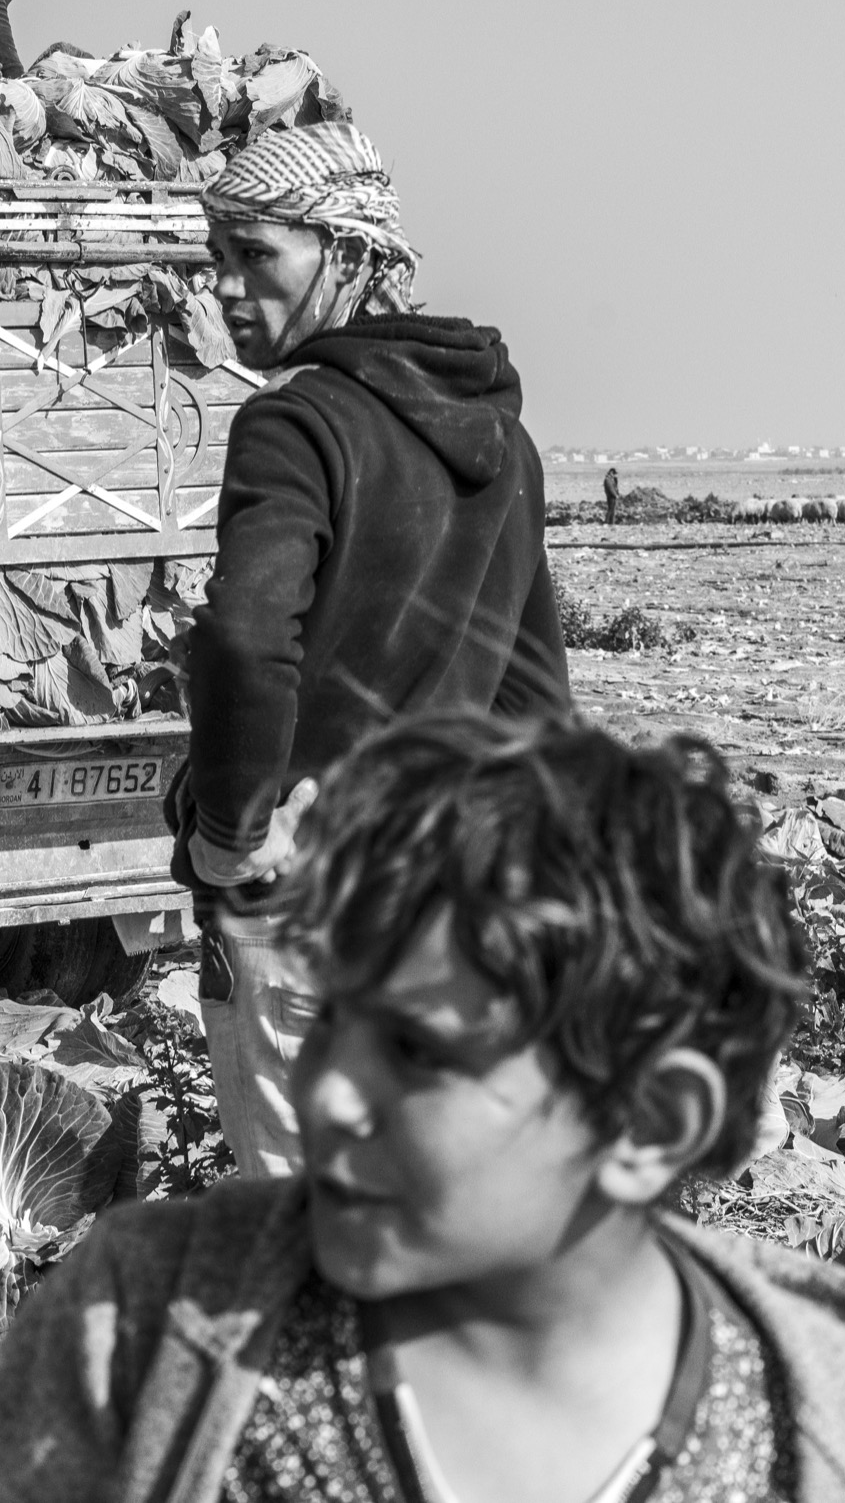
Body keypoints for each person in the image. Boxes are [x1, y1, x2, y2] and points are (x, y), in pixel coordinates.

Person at [0, 711, 845, 1503]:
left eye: (416, 1048)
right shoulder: (139, 1331)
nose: (327, 1089)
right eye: (332, 1016)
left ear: (651, 1122)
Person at [177, 121, 570, 1176]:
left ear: (349, 254)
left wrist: (230, 833)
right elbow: (534, 696)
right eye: (216, 257)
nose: (224, 286)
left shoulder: (297, 425)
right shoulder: (506, 444)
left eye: (255, 253)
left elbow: (245, 631)